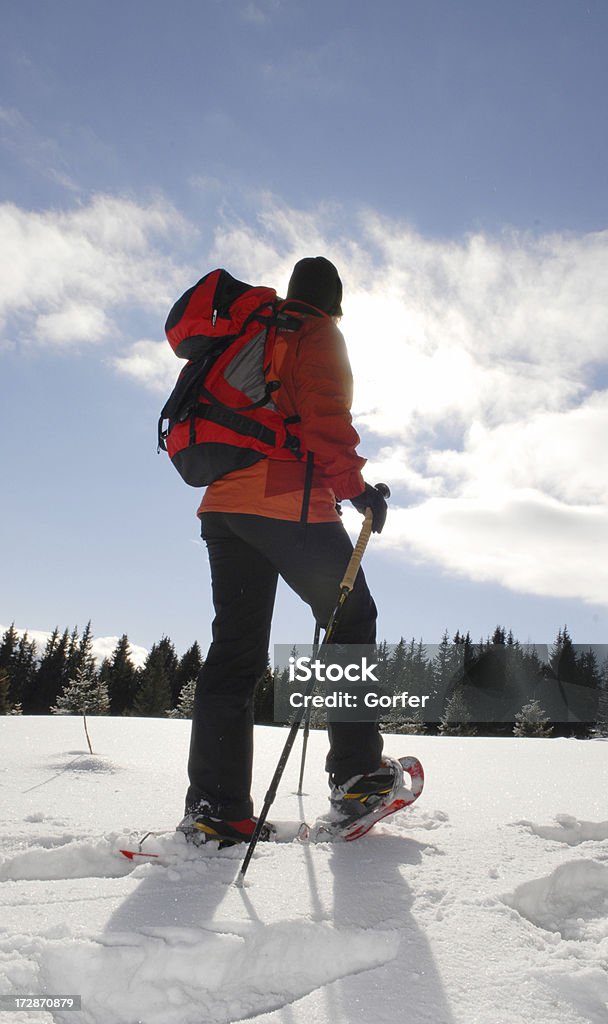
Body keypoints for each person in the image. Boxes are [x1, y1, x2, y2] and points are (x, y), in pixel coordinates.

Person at [179, 256, 397, 846]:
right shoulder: (317, 331)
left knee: (235, 653)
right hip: (285, 505)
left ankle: (215, 809)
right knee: (352, 618)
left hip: (223, 509)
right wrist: (358, 494)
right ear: (335, 301)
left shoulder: (250, 328)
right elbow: (326, 418)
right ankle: (358, 777)